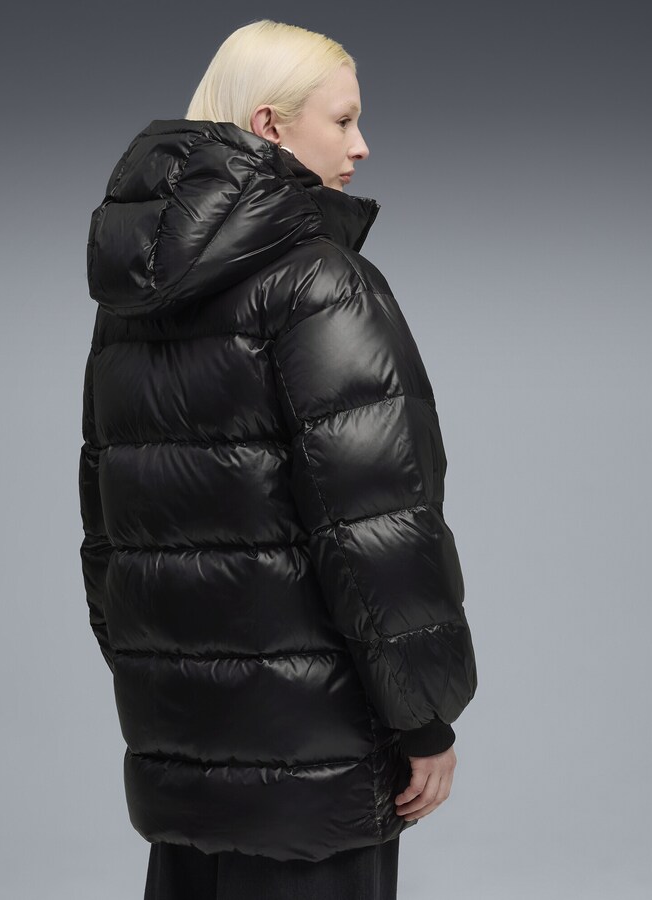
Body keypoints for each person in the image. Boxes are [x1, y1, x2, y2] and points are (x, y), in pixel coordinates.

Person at [78, 18, 478, 900]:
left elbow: (106, 529)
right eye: (343, 120)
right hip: (317, 759)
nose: (362, 146)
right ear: (269, 126)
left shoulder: (130, 305)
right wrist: (424, 718)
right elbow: (378, 525)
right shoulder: (319, 282)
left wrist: (164, 687)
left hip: (181, 745)